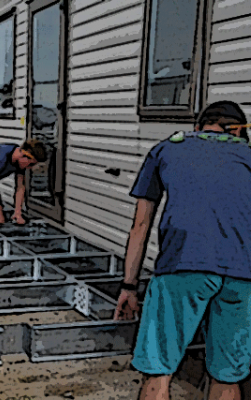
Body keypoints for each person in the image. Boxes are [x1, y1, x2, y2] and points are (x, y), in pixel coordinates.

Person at [114, 101, 251, 400]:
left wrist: (129, 286)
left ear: (199, 127)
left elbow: (140, 225)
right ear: (239, 131)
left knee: (159, 369)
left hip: (181, 267)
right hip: (243, 275)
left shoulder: (165, 150)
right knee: (227, 375)